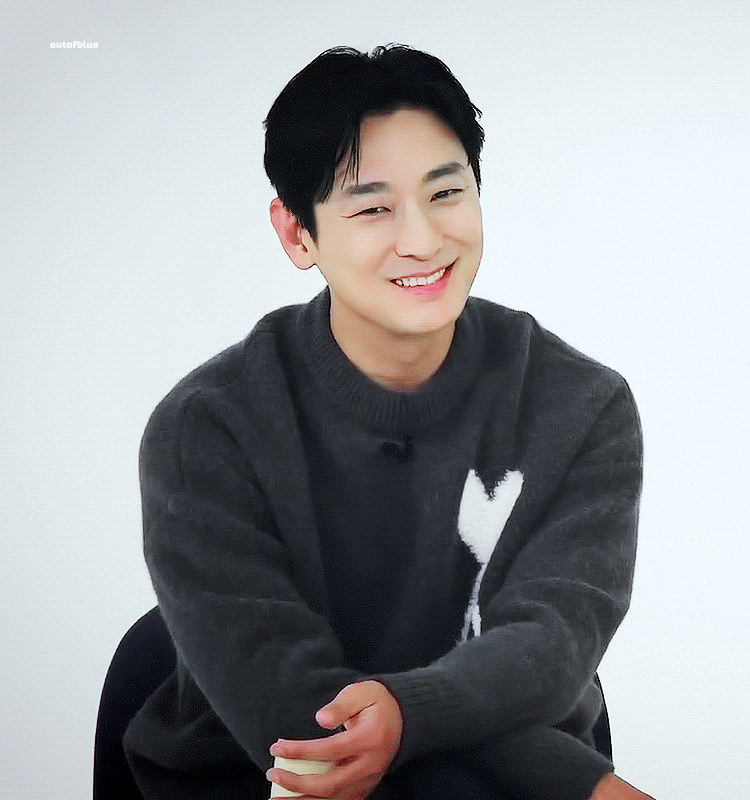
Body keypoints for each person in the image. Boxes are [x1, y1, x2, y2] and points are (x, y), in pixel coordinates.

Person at [124, 45, 653, 800]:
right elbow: (306, 727)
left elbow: (552, 648)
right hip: (260, 777)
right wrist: (578, 783)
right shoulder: (207, 429)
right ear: (296, 233)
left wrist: (411, 716)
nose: (423, 240)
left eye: (446, 193)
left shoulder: (581, 406)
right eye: (373, 208)